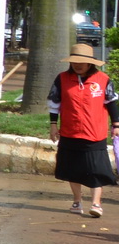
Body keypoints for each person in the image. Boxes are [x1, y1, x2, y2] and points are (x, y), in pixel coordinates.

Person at [49, 42, 119, 218]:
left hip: (95, 133)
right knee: (73, 169)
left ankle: (96, 204)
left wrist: (116, 125)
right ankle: (77, 201)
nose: (78, 65)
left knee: (97, 169)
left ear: (90, 63)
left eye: (81, 62)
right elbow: (54, 104)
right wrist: (53, 125)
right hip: (70, 131)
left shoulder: (103, 80)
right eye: (74, 62)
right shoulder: (62, 79)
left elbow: (111, 103)